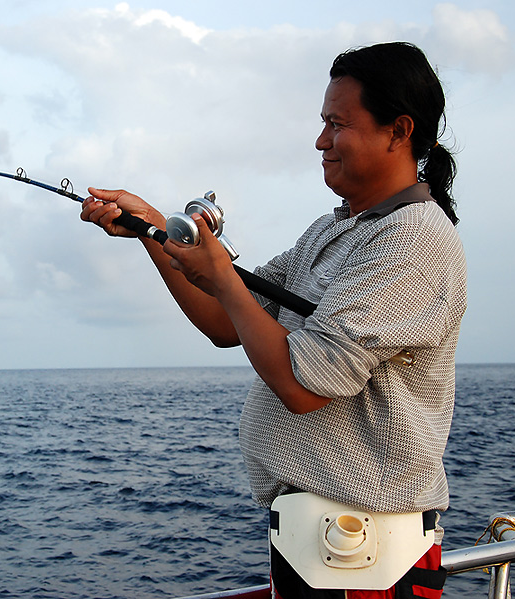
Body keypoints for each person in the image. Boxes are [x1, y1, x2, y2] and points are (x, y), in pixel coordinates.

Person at [80, 41, 466, 598]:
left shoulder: (416, 243)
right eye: (322, 122)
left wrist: (221, 275)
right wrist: (149, 228)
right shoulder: (334, 233)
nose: (321, 140)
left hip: (368, 558)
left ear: (398, 130)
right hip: (317, 549)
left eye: (338, 124)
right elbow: (225, 320)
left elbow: (302, 383)